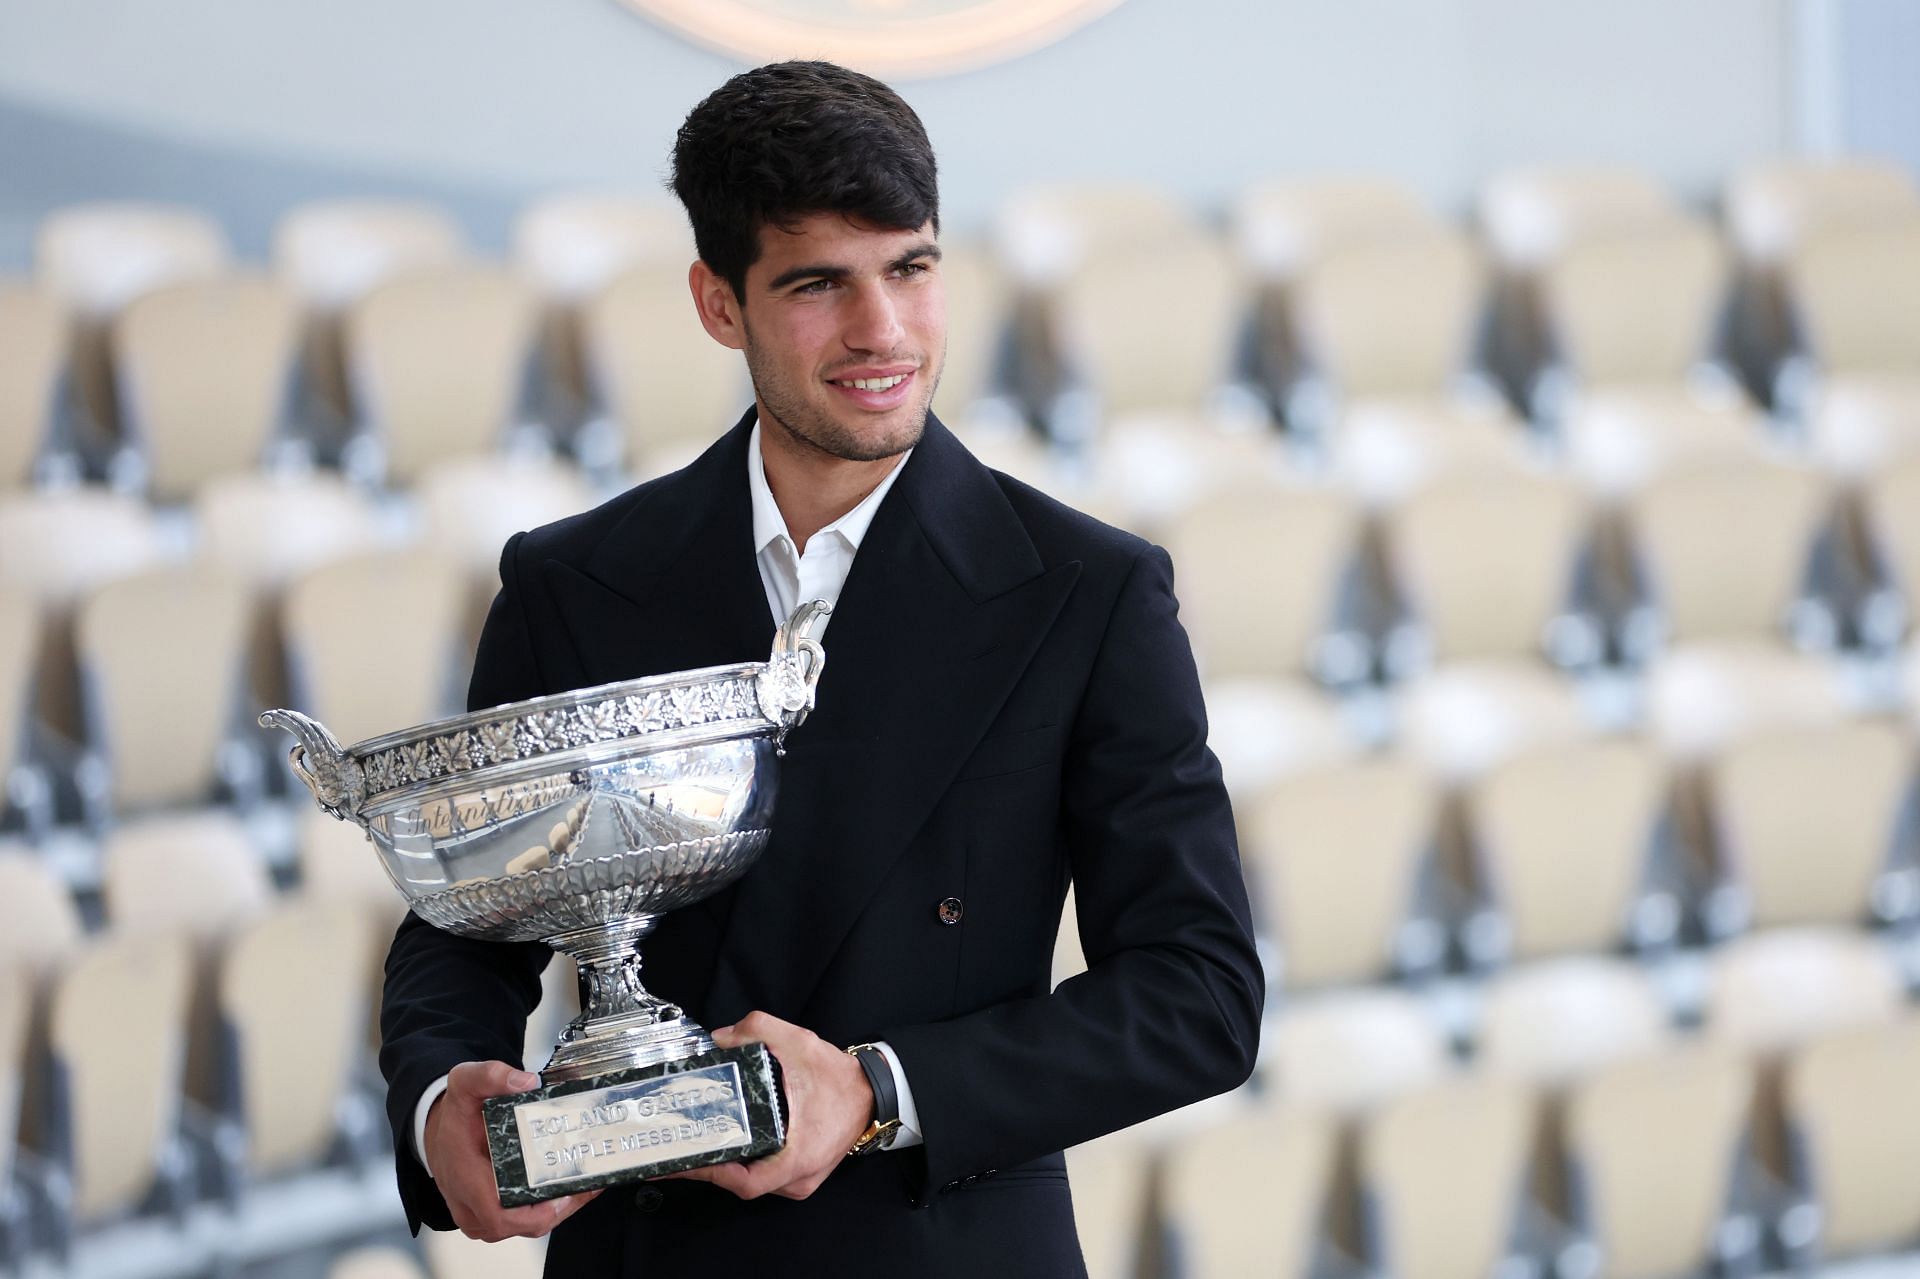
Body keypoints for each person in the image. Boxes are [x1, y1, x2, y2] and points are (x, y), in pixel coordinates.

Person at [379, 59, 1263, 1278]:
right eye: (818, 284)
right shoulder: (570, 580)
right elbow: (468, 926)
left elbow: (1198, 993)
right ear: (718, 302)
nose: (882, 332)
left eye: (911, 268)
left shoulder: (1089, 593)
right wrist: (441, 1104)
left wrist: (878, 1090)